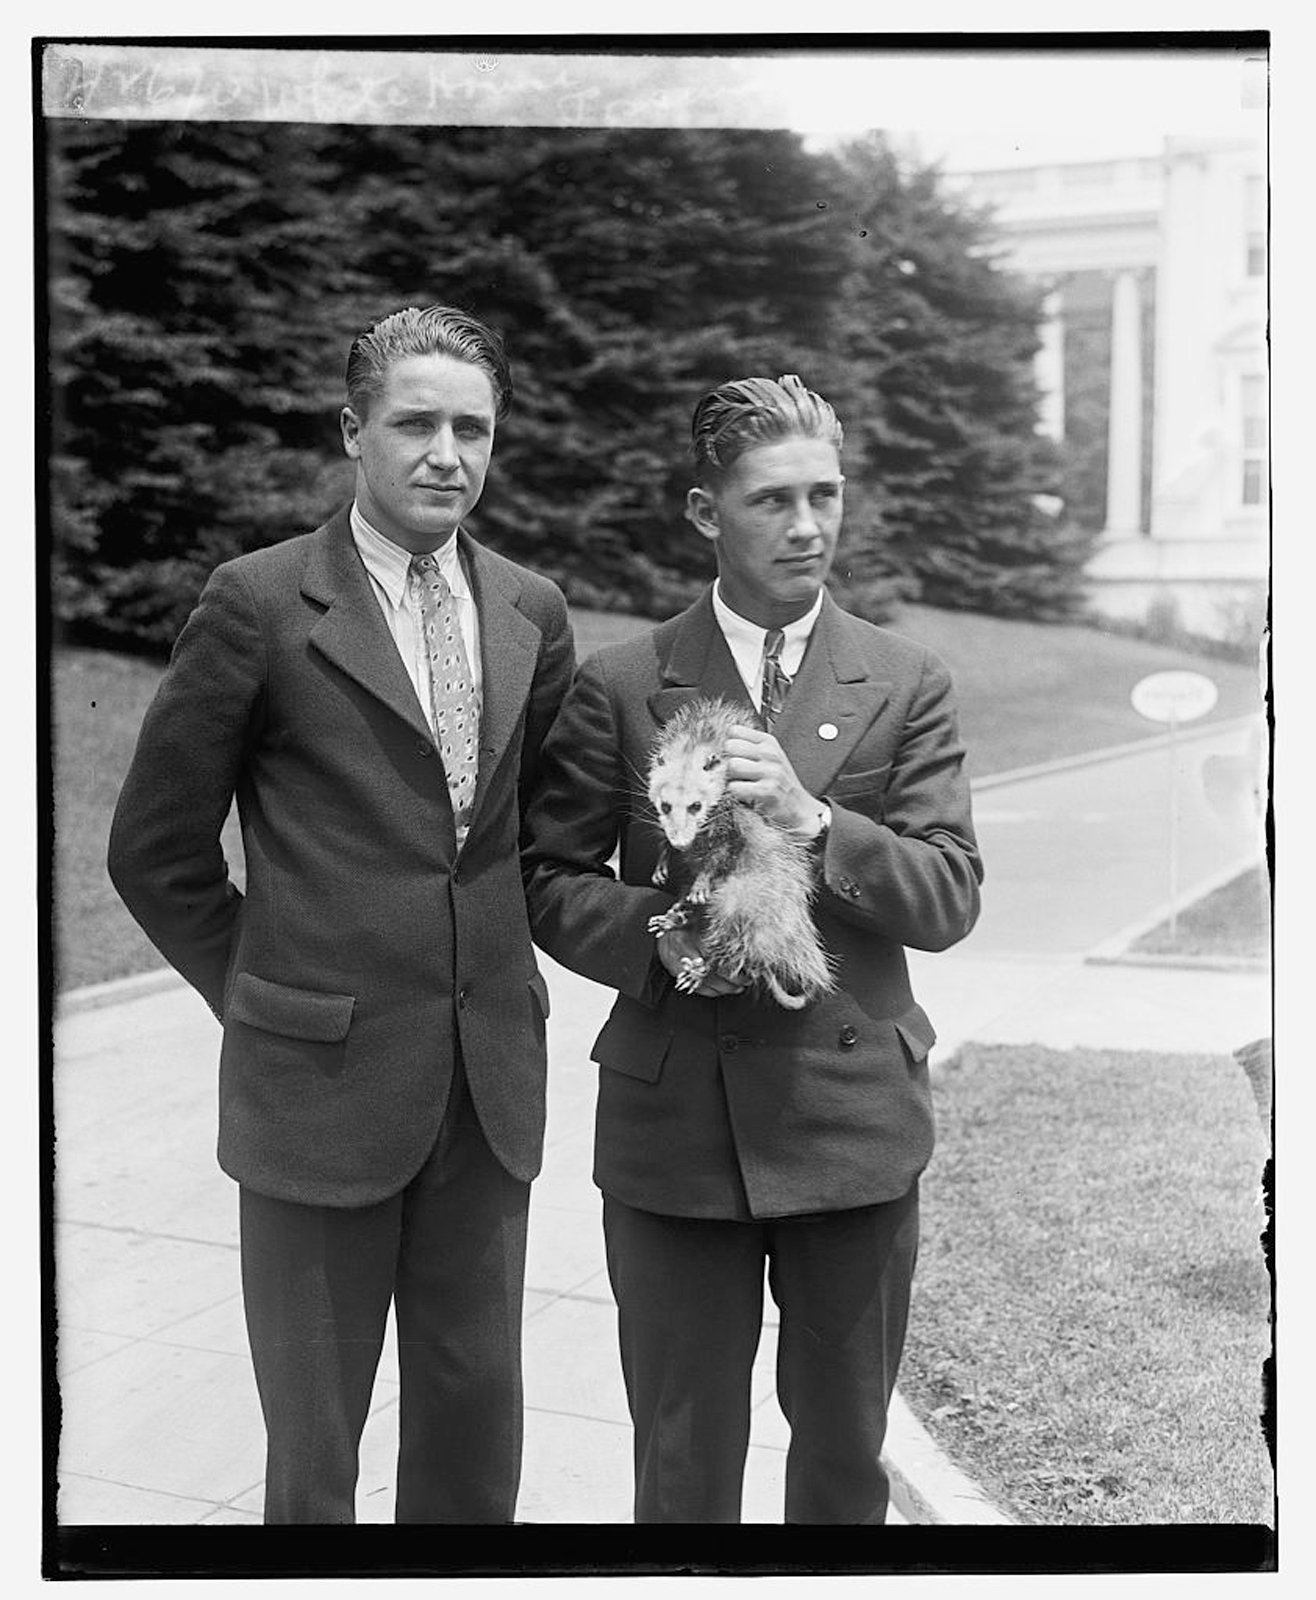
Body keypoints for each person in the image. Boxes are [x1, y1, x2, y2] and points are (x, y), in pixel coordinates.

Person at [107, 304, 575, 1524]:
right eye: (413, 422)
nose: (445, 453)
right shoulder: (258, 603)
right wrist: (263, 995)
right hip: (314, 1095)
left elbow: (540, 849)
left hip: (486, 1092)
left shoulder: (532, 610)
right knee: (313, 1463)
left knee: (477, 1442)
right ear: (351, 431)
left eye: (471, 427)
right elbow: (153, 851)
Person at [523, 373, 983, 1524]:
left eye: (824, 494)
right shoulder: (622, 683)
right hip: (675, 1132)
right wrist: (665, 940)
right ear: (702, 513)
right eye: (772, 500)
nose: (808, 525)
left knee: (840, 1460)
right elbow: (546, 876)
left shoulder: (903, 680)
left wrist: (819, 820)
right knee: (680, 1465)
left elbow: (947, 894)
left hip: (849, 1125)